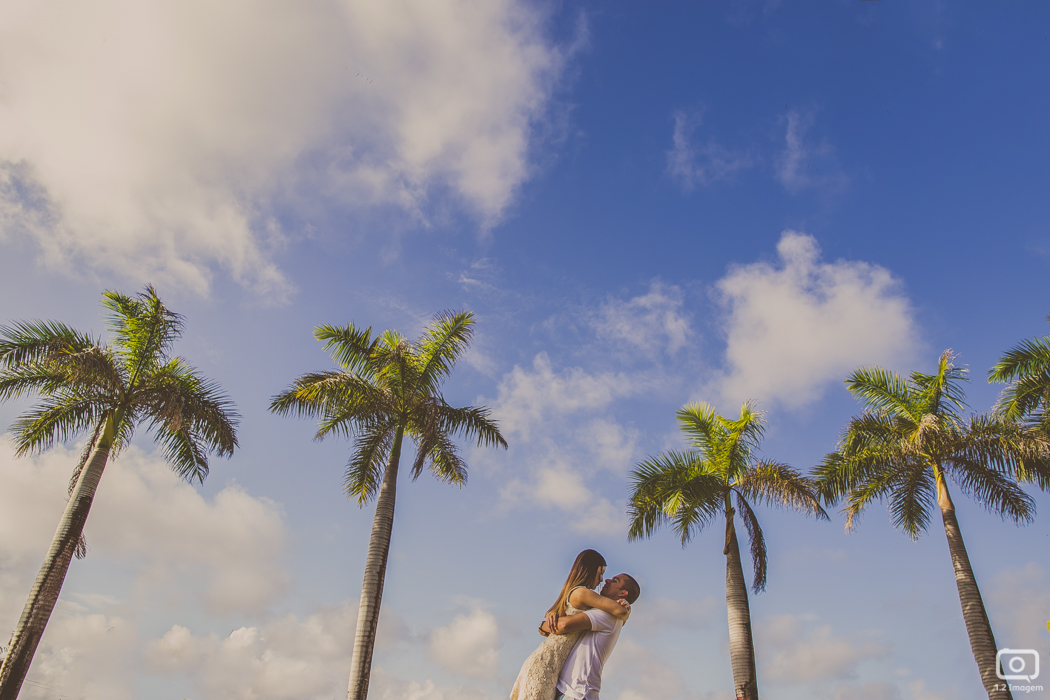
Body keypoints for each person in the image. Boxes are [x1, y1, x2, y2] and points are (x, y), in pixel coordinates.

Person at [509, 550, 631, 700]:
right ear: (590, 570)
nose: (602, 580)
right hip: (547, 662)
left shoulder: (590, 603)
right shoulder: (583, 593)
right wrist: (626, 612)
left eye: (610, 578)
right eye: (600, 573)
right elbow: (619, 611)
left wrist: (545, 624)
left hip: (555, 669)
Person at [542, 573, 640, 700]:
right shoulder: (611, 616)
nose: (607, 580)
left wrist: (542, 625)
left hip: (577, 692)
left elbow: (563, 625)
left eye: (615, 581)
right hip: (574, 691)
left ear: (623, 593)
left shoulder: (608, 615)